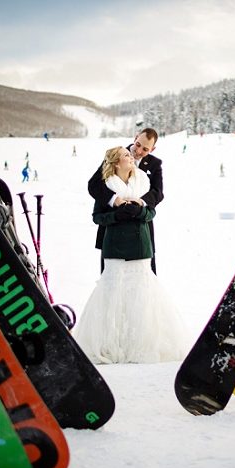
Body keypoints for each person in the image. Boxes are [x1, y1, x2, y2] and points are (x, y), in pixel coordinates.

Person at [74, 146, 190, 364]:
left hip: (141, 247)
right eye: (127, 155)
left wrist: (142, 211)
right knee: (113, 294)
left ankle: (142, 342)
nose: (132, 156)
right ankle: (111, 345)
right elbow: (97, 217)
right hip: (115, 249)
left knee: (142, 295)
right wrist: (116, 215)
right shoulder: (106, 188)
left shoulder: (143, 183)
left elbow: (152, 211)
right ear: (117, 163)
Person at [88, 128, 163, 274]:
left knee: (145, 278)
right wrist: (114, 200)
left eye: (145, 149)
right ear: (135, 138)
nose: (138, 151)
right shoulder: (117, 155)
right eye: (138, 144)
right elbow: (94, 185)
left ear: (152, 149)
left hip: (140, 228)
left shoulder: (154, 164)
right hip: (113, 231)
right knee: (111, 278)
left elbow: (158, 193)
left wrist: (140, 203)